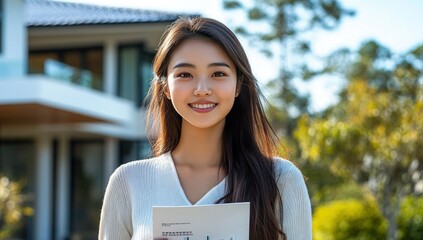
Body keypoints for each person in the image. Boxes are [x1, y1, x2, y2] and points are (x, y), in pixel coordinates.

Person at [99, 17, 312, 240]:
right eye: (185, 75)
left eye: (218, 74)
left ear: (238, 85)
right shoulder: (128, 181)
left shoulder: (281, 179)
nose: (202, 89)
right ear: (166, 88)